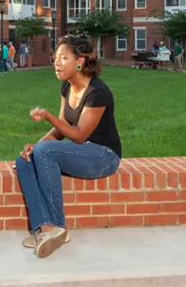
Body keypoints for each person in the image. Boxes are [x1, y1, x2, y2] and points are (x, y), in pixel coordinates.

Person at [15, 35, 122, 259]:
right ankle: (45, 229)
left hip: (104, 156)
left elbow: (79, 135)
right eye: (56, 58)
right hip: (81, 152)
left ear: (80, 61)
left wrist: (47, 116)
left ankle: (58, 228)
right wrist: (36, 146)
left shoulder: (97, 92)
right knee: (24, 160)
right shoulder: (67, 87)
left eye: (64, 58)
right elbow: (61, 130)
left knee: (44, 152)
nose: (57, 62)